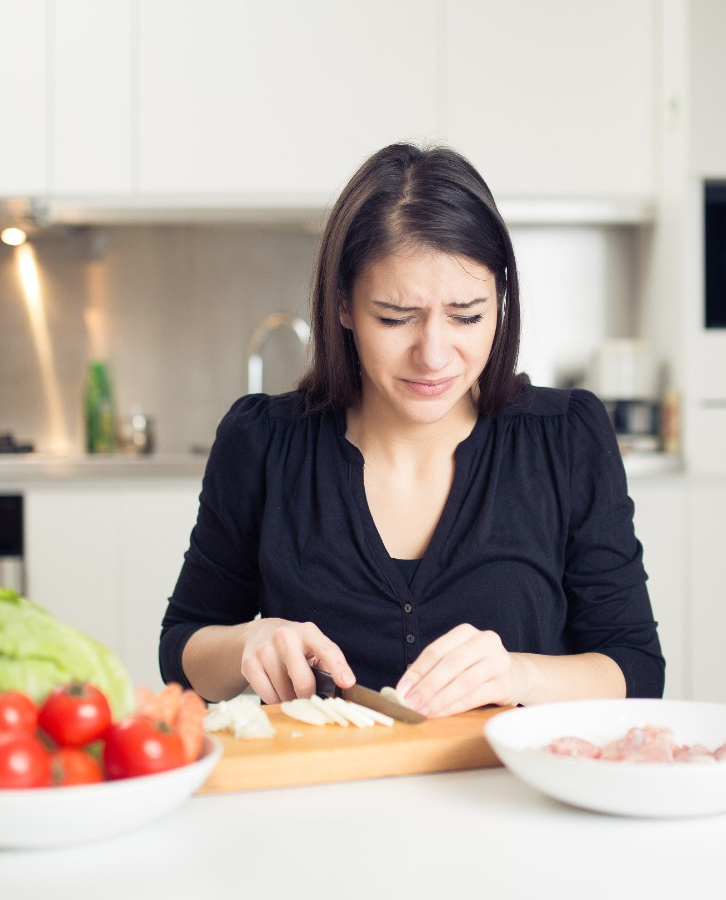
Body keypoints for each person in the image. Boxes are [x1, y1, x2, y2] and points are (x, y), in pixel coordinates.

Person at [159, 142, 663, 717]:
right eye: (396, 318)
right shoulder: (263, 444)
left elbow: (636, 668)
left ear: (500, 302)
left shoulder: (564, 438)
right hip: (322, 797)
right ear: (343, 305)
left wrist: (520, 673)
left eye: (467, 315)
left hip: (508, 799)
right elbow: (181, 649)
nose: (434, 355)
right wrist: (247, 642)